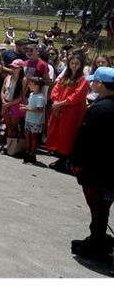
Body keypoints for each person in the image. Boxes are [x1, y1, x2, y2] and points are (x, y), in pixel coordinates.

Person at [68, 67, 114, 262]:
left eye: (95, 81)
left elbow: (84, 138)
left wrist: (76, 162)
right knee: (103, 205)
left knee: (97, 206)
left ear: (101, 84)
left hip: (96, 169)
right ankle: (99, 237)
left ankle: (97, 240)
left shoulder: (100, 109)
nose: (92, 84)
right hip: (108, 169)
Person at [46, 53, 89, 172]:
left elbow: (76, 97)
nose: (74, 66)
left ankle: (67, 161)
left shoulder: (83, 80)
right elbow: (55, 90)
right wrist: (55, 102)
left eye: (77, 64)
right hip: (59, 109)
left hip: (72, 112)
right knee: (58, 134)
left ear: (81, 65)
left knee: (68, 135)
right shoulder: (65, 77)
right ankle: (61, 159)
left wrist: (59, 104)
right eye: (72, 63)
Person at [0, 59, 27, 152]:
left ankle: (11, 145)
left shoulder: (23, 79)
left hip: (15, 105)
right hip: (6, 103)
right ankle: (8, 143)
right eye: (12, 67)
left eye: (16, 67)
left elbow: (21, 96)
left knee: (14, 126)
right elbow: (2, 91)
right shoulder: (8, 77)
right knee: (8, 125)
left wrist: (8, 104)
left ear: (20, 68)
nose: (13, 69)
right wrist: (4, 102)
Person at [21, 77, 46, 164]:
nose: (29, 85)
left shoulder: (40, 97)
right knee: (28, 135)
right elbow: (31, 106)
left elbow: (40, 110)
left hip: (36, 121)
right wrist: (25, 107)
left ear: (37, 85)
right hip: (29, 119)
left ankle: (32, 153)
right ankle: (28, 151)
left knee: (34, 137)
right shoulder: (32, 95)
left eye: (31, 84)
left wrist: (27, 109)